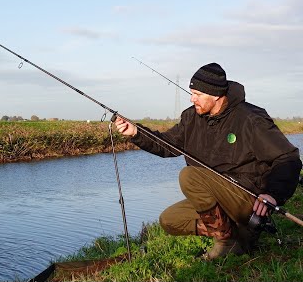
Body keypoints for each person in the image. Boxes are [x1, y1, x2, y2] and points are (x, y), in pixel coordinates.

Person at [115, 62, 301, 260]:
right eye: (191, 92)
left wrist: (272, 195)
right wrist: (136, 133)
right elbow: (168, 144)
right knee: (170, 220)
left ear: (215, 95)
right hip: (219, 200)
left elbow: (287, 157)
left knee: (190, 176)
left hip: (248, 199)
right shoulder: (191, 117)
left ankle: (227, 244)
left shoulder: (250, 119)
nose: (192, 98)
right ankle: (237, 236)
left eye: (198, 94)